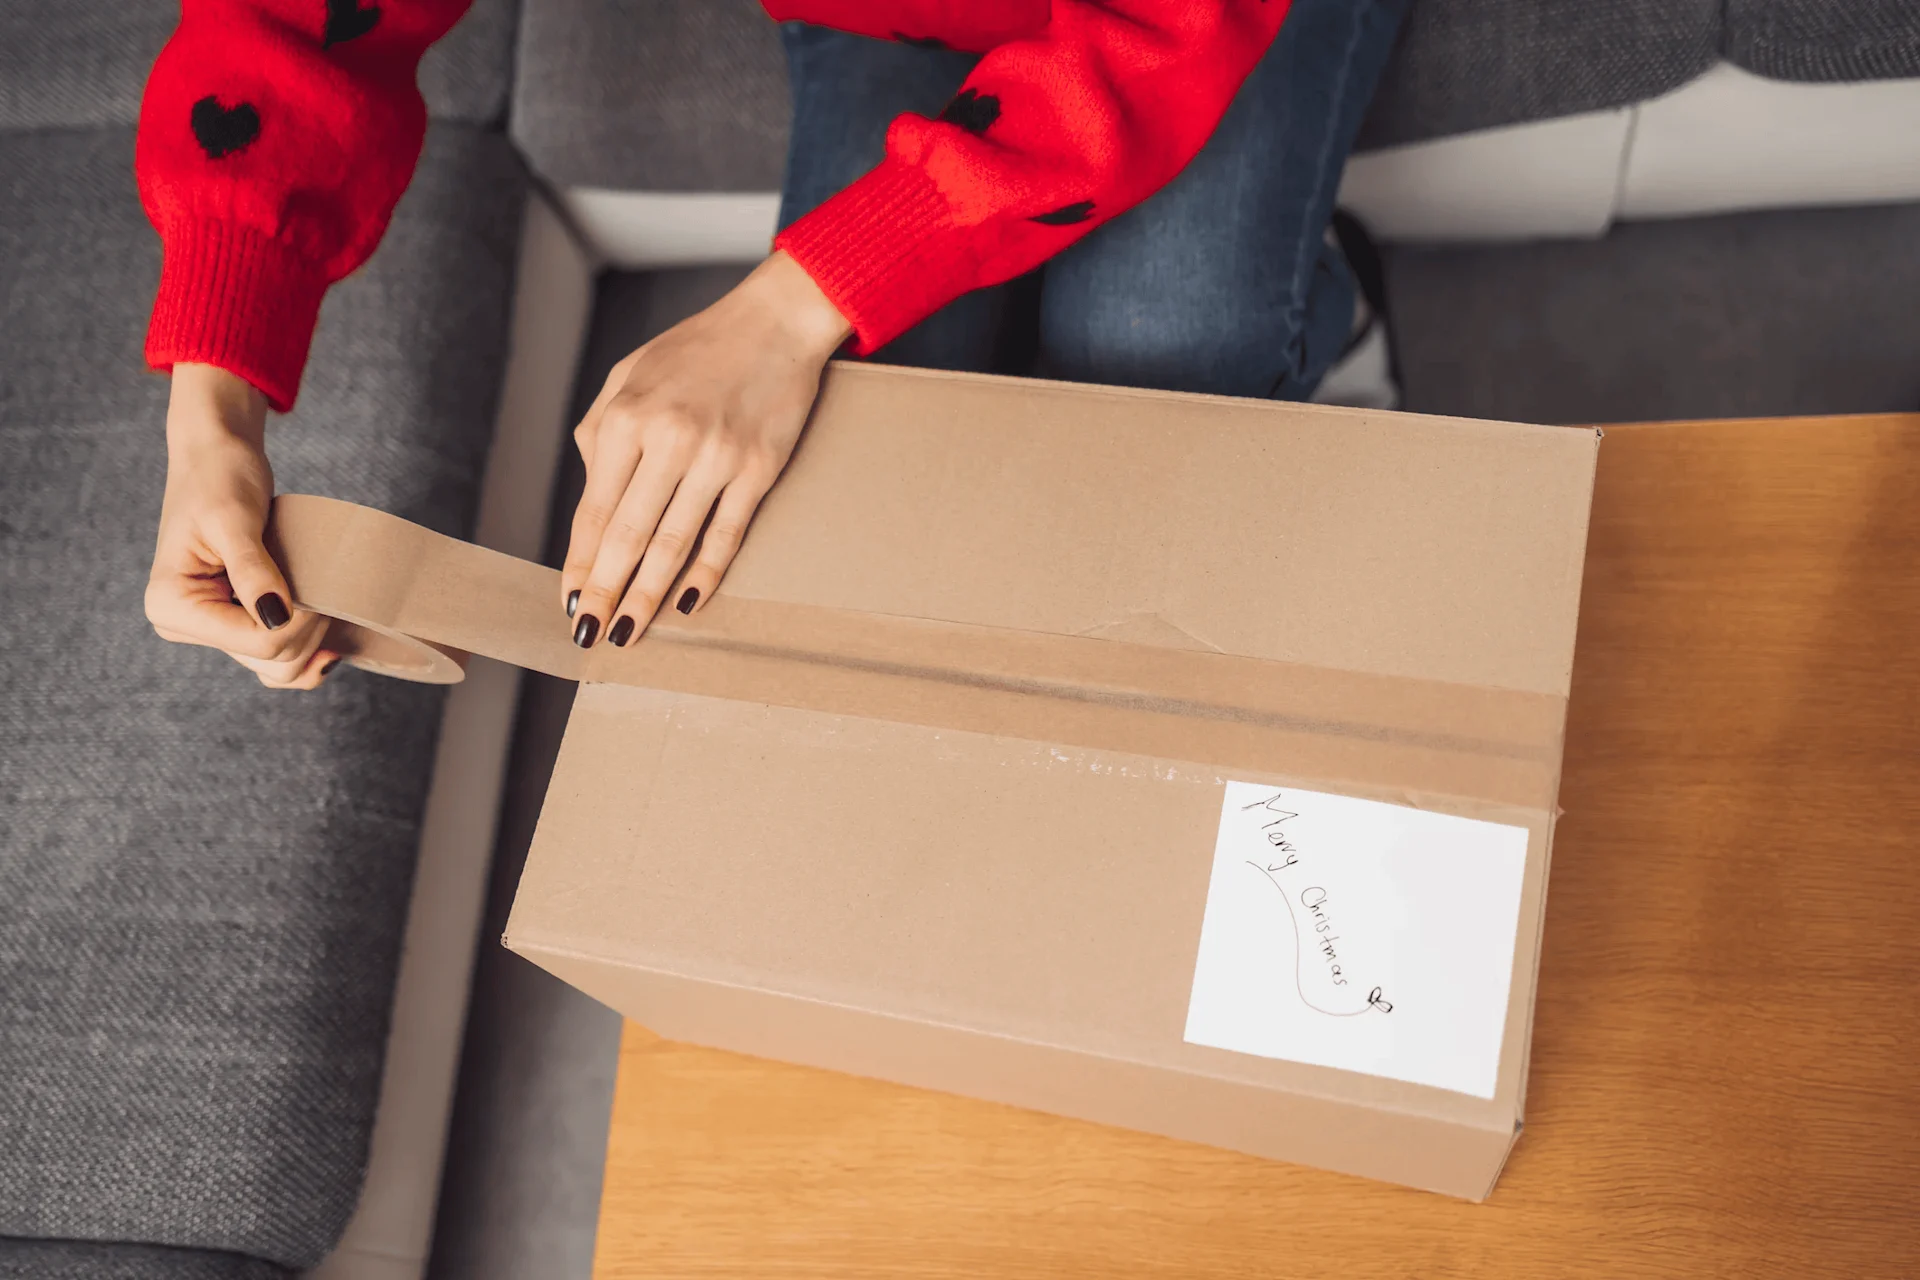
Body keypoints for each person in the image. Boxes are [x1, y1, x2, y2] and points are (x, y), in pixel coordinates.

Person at [138, 0, 1407, 688]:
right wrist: (212, 417)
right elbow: (291, 24)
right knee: (865, 452)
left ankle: (1332, 310)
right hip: (891, 16)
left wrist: (791, 309)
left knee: (1161, 347)